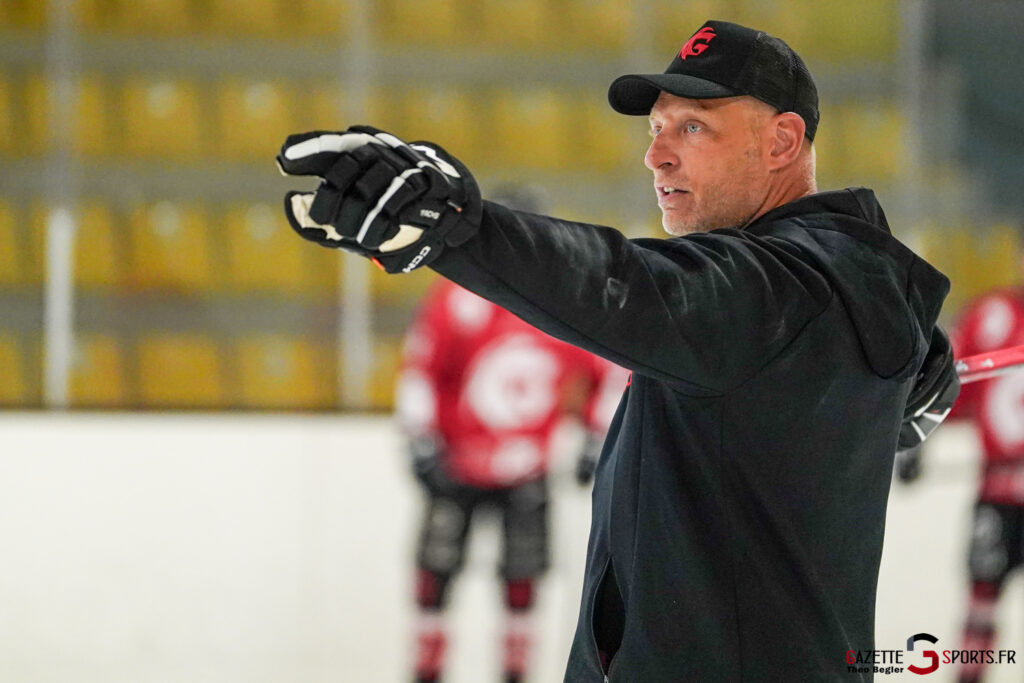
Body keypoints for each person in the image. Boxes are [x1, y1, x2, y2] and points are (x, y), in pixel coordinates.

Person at [277, 19, 959, 682]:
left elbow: (619, 284)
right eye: (655, 128)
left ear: (782, 139)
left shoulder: (772, 292)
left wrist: (459, 229)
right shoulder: (836, 289)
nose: (656, 154)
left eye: (692, 126)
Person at [395, 189, 626, 683]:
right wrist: (419, 440)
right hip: (457, 462)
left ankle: (515, 669)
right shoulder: (459, 301)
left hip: (527, 468)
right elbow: (422, 370)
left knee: (523, 575)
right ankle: (427, 666)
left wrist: (595, 438)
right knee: (436, 569)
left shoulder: (560, 303)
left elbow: (606, 370)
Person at [897, 273, 1024, 683]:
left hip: (999, 491)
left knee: (980, 608)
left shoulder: (993, 313)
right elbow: (945, 384)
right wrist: (916, 445)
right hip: (1000, 495)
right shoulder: (993, 314)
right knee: (980, 608)